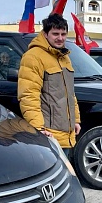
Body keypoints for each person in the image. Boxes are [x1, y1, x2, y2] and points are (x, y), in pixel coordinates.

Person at [18, 14, 81, 156]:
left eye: (63, 34)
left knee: (64, 176)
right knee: (51, 176)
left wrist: (75, 120)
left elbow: (70, 94)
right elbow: (28, 96)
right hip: (48, 134)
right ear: (45, 34)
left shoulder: (64, 57)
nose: (60, 38)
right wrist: (38, 129)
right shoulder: (33, 56)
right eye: (55, 34)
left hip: (67, 134)